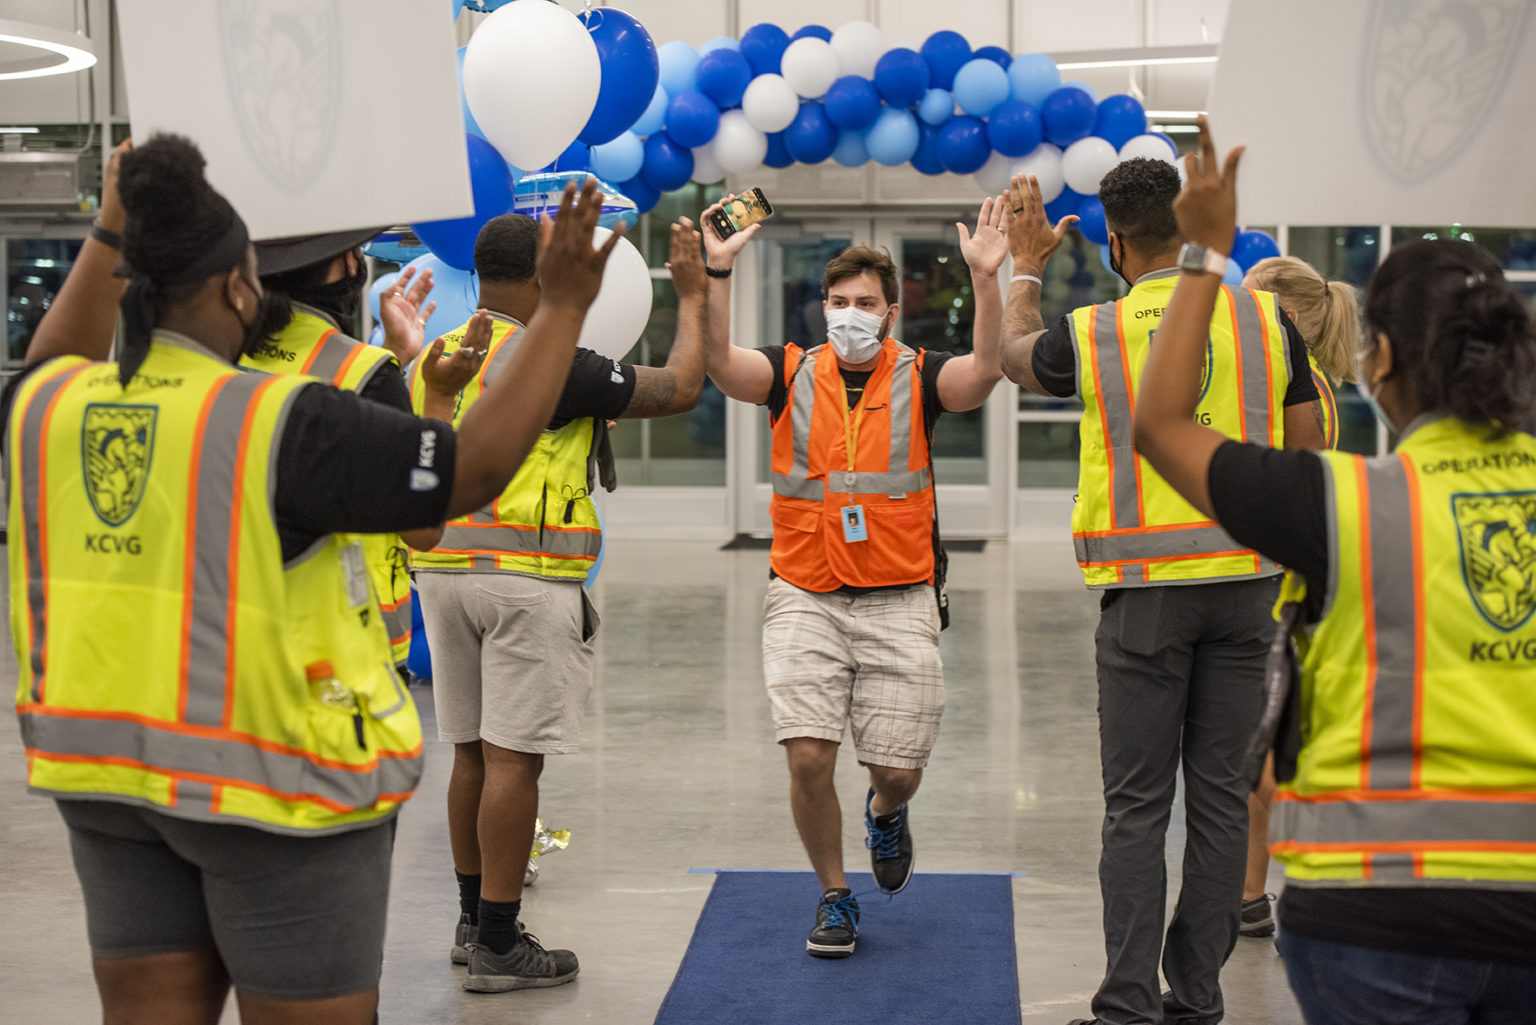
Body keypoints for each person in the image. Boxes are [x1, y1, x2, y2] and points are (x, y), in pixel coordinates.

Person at [6, 134, 618, 1025]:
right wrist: (562, 307)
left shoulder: (47, 404)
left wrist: (113, 217)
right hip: (273, 787)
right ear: (235, 287)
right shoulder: (284, 421)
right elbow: (470, 473)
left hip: (109, 778)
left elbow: (53, 351)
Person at [1133, 115, 1536, 1025]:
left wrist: (1202, 254)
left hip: (1373, 905)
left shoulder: (1340, 501)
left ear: (1380, 358)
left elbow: (1160, 426)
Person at [997, 161, 1325, 1025]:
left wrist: (1024, 269)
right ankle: (1199, 998)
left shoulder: (1098, 328)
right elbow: (1307, 449)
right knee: (1220, 801)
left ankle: (1129, 1008)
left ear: (1114, 239)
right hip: (1250, 590)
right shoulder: (1268, 320)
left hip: (1146, 596)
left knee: (1138, 810)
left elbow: (1011, 356)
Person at [402, 211, 708, 992]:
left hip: (442, 576)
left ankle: (474, 924)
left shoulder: (435, 358)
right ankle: (501, 944)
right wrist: (697, 300)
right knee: (514, 759)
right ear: (544, 278)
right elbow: (678, 389)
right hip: (526, 578)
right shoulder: (552, 363)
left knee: (469, 751)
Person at [702, 194, 1010, 958]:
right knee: (808, 753)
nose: (848, 312)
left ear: (891, 312)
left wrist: (989, 282)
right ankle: (835, 894)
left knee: (897, 769)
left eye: (864, 303)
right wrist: (717, 271)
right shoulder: (786, 371)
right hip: (803, 590)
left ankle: (886, 811)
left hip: (899, 596)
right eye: (838, 301)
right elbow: (717, 364)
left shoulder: (921, 375)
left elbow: (984, 375)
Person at [241, 225, 440, 670]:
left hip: (238, 633)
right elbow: (422, 526)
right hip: (347, 645)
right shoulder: (367, 373)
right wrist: (436, 395)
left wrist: (393, 355)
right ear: (342, 267)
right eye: (354, 250)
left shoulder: (223, 358)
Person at [1235, 254, 1361, 937]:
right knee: (1261, 760)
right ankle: (1251, 895)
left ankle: (1324, 879)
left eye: (1247, 298)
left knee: (1266, 763)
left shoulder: (1297, 387)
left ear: (1280, 315)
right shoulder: (1293, 380)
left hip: (1282, 598)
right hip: (1281, 589)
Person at [1244, 255, 1361, 449]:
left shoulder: (1299, 384)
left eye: (1248, 305)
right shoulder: (1295, 373)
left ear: (1285, 320)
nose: (1236, 312)